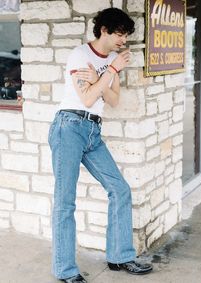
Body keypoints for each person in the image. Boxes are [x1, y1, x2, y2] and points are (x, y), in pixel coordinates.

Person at [48, 8, 153, 283]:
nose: (123, 40)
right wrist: (111, 72)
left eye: (126, 35)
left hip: (93, 131)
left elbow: (113, 99)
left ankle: (120, 256)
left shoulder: (111, 61)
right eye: (120, 33)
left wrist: (102, 78)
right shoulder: (80, 55)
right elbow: (86, 99)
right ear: (104, 30)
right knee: (65, 202)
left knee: (119, 189)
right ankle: (66, 271)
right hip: (69, 127)